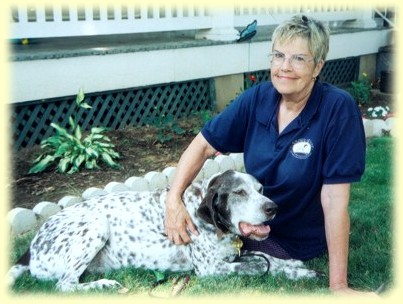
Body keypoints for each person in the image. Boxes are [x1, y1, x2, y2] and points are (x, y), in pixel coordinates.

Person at [165, 15, 373, 295]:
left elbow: (335, 200)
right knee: (189, 220)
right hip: (249, 219)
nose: (284, 67)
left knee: (201, 247)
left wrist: (338, 286)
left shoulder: (338, 109)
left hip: (294, 238)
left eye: (299, 58)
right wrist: (172, 199)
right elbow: (202, 145)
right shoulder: (258, 99)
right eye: (278, 56)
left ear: (318, 66)